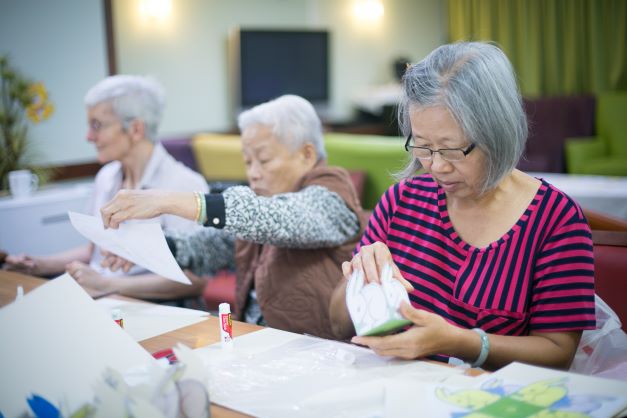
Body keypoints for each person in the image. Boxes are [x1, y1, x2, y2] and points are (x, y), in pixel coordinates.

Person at [329, 42, 595, 370]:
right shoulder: (401, 201)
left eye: (453, 149)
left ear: (498, 131)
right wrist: (359, 280)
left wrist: (459, 341)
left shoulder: (556, 220)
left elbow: (557, 353)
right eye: (422, 146)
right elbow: (339, 324)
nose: (436, 166)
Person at [99, 94, 366, 339]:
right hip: (257, 341)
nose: (254, 173)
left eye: (264, 160)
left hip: (314, 351)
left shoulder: (332, 194)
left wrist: (167, 201)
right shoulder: (265, 199)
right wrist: (145, 247)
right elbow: (210, 246)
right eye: (248, 162)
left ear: (307, 154)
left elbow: (275, 218)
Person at [4, 75, 209, 302]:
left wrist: (107, 285)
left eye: (97, 125)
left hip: (156, 310)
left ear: (136, 129)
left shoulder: (184, 186)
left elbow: (195, 280)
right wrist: (37, 265)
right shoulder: (107, 176)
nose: (89, 136)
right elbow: (92, 252)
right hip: (103, 299)